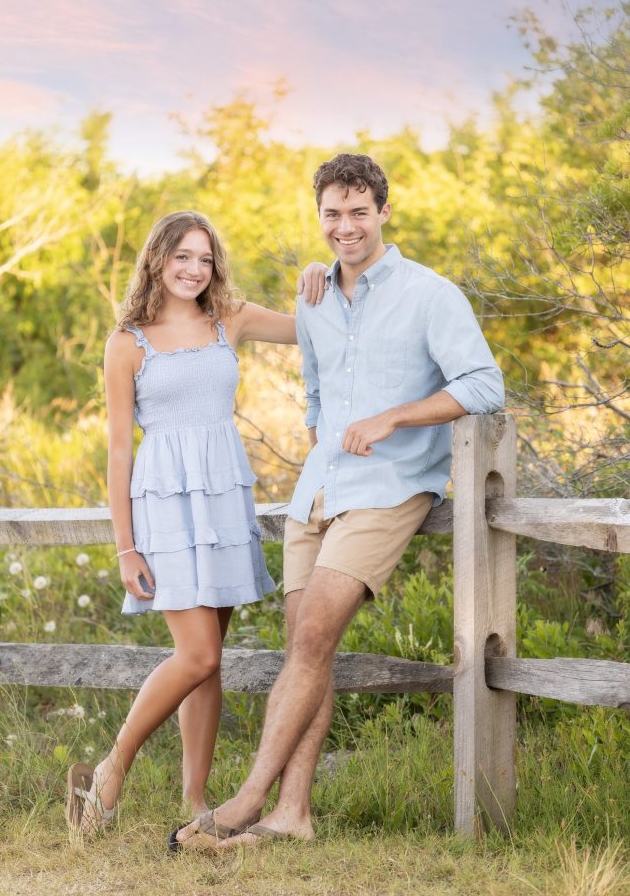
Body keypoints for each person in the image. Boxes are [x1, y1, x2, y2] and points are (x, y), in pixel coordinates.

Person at [174, 153, 505, 848]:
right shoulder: (314, 295)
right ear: (318, 216)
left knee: (314, 637)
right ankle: (293, 814)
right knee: (304, 646)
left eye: (358, 212)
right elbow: (316, 393)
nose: (345, 226)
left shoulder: (429, 293)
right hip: (318, 491)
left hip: (389, 490)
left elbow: (482, 385)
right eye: (332, 214)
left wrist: (394, 417)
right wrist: (326, 434)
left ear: (384, 211)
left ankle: (245, 800)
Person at [65, 210, 326, 834]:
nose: (194, 269)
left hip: (222, 496)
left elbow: (312, 327)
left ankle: (194, 801)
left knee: (211, 658)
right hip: (164, 503)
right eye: (182, 256)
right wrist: (126, 548)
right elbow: (120, 450)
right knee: (198, 653)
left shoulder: (228, 317)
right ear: (157, 258)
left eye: (204, 258)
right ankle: (112, 767)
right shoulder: (127, 341)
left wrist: (322, 272)